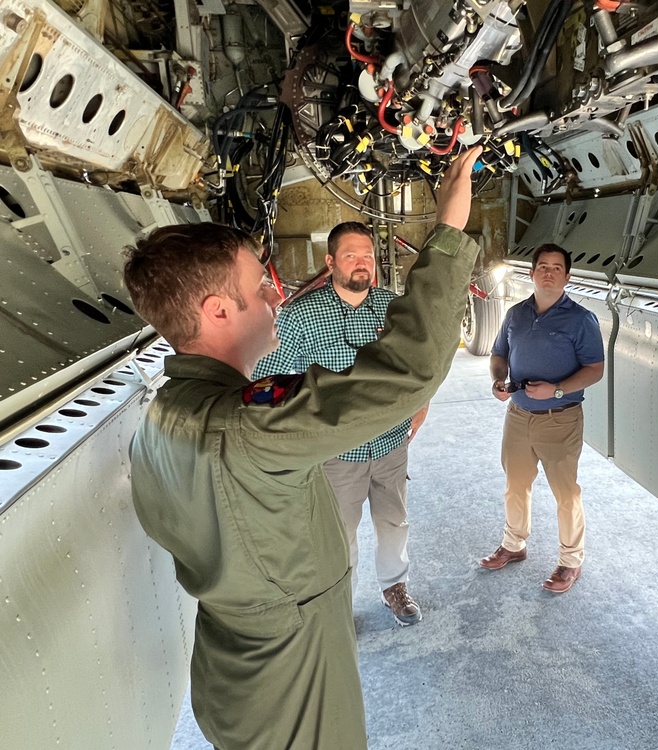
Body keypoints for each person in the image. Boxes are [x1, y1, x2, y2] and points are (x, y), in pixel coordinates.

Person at [122, 147, 481, 750]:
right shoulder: (248, 427)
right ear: (216, 311)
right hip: (292, 682)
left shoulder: (164, 414)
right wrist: (447, 232)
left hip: (234, 667)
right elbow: (411, 367)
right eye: (259, 285)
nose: (276, 297)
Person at [254, 222, 428, 627]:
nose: (362, 263)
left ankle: (394, 586)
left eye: (367, 254)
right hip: (336, 451)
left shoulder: (393, 307)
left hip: (389, 442)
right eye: (351, 255)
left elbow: (421, 362)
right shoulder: (298, 316)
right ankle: (338, 606)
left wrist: (423, 402)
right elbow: (270, 383)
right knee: (337, 534)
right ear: (330, 261)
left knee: (393, 519)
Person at [480, 243, 605, 594]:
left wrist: (558, 390)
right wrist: (498, 379)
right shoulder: (516, 314)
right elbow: (499, 354)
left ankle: (570, 561)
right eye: (542, 266)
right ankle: (514, 544)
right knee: (515, 485)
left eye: (556, 267)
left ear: (567, 276)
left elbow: (595, 369)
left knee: (566, 494)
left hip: (560, 419)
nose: (548, 272)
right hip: (518, 415)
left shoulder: (581, 320)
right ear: (532, 272)